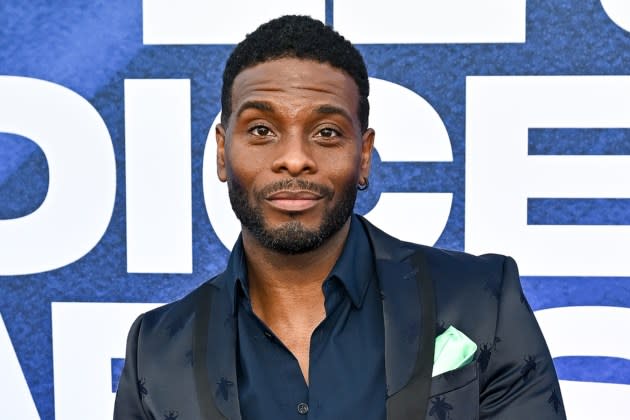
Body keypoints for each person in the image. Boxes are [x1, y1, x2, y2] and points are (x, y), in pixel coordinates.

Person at [114, 15, 565, 420]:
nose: (294, 159)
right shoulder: (157, 348)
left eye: (326, 132)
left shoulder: (481, 300)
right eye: (261, 130)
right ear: (221, 152)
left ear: (364, 156)